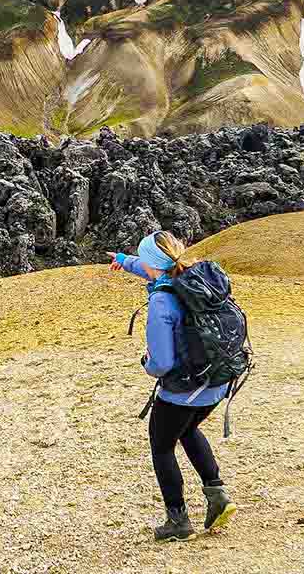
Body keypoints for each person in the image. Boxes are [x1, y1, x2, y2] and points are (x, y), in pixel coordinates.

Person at [110, 231, 237, 542]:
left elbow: (162, 364)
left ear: (155, 264)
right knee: (188, 430)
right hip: (217, 381)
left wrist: (146, 362)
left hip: (184, 389)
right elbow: (154, 267)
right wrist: (126, 262)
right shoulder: (196, 276)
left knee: (162, 445)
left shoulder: (162, 302)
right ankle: (218, 496)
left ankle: (177, 521)